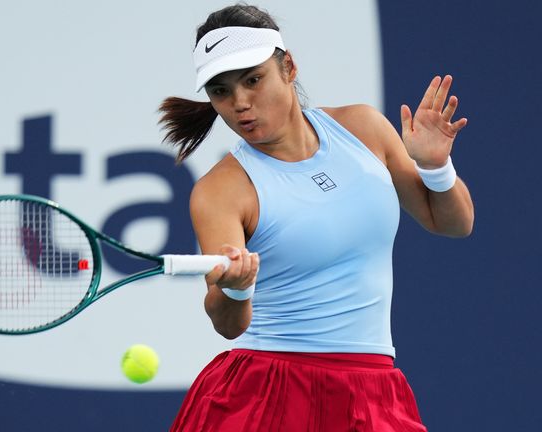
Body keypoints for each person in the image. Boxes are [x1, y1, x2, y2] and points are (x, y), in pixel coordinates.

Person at [159, 4, 474, 431]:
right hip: (265, 392)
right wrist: (235, 290)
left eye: (253, 80)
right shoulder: (220, 192)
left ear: (288, 67)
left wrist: (437, 169)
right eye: (221, 91)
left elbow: (453, 222)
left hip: (375, 389)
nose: (240, 104)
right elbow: (228, 325)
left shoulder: (363, 127)